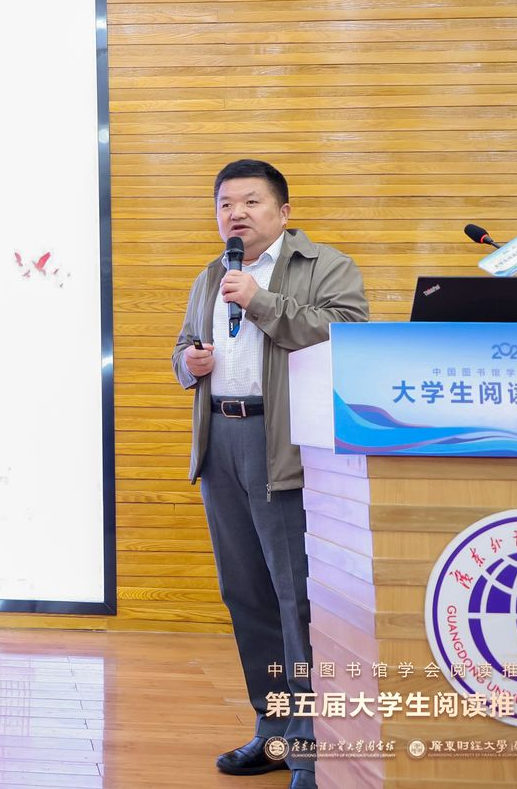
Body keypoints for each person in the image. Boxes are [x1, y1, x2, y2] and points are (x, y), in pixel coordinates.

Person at [172, 159, 368, 789]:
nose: (236, 213)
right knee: (246, 593)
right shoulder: (211, 275)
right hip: (220, 442)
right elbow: (181, 349)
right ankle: (274, 729)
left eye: (250, 202)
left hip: (283, 444)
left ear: (283, 212)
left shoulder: (324, 266)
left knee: (296, 599)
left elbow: (349, 332)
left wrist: (261, 302)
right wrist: (190, 365)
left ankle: (312, 747)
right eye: (225, 204)